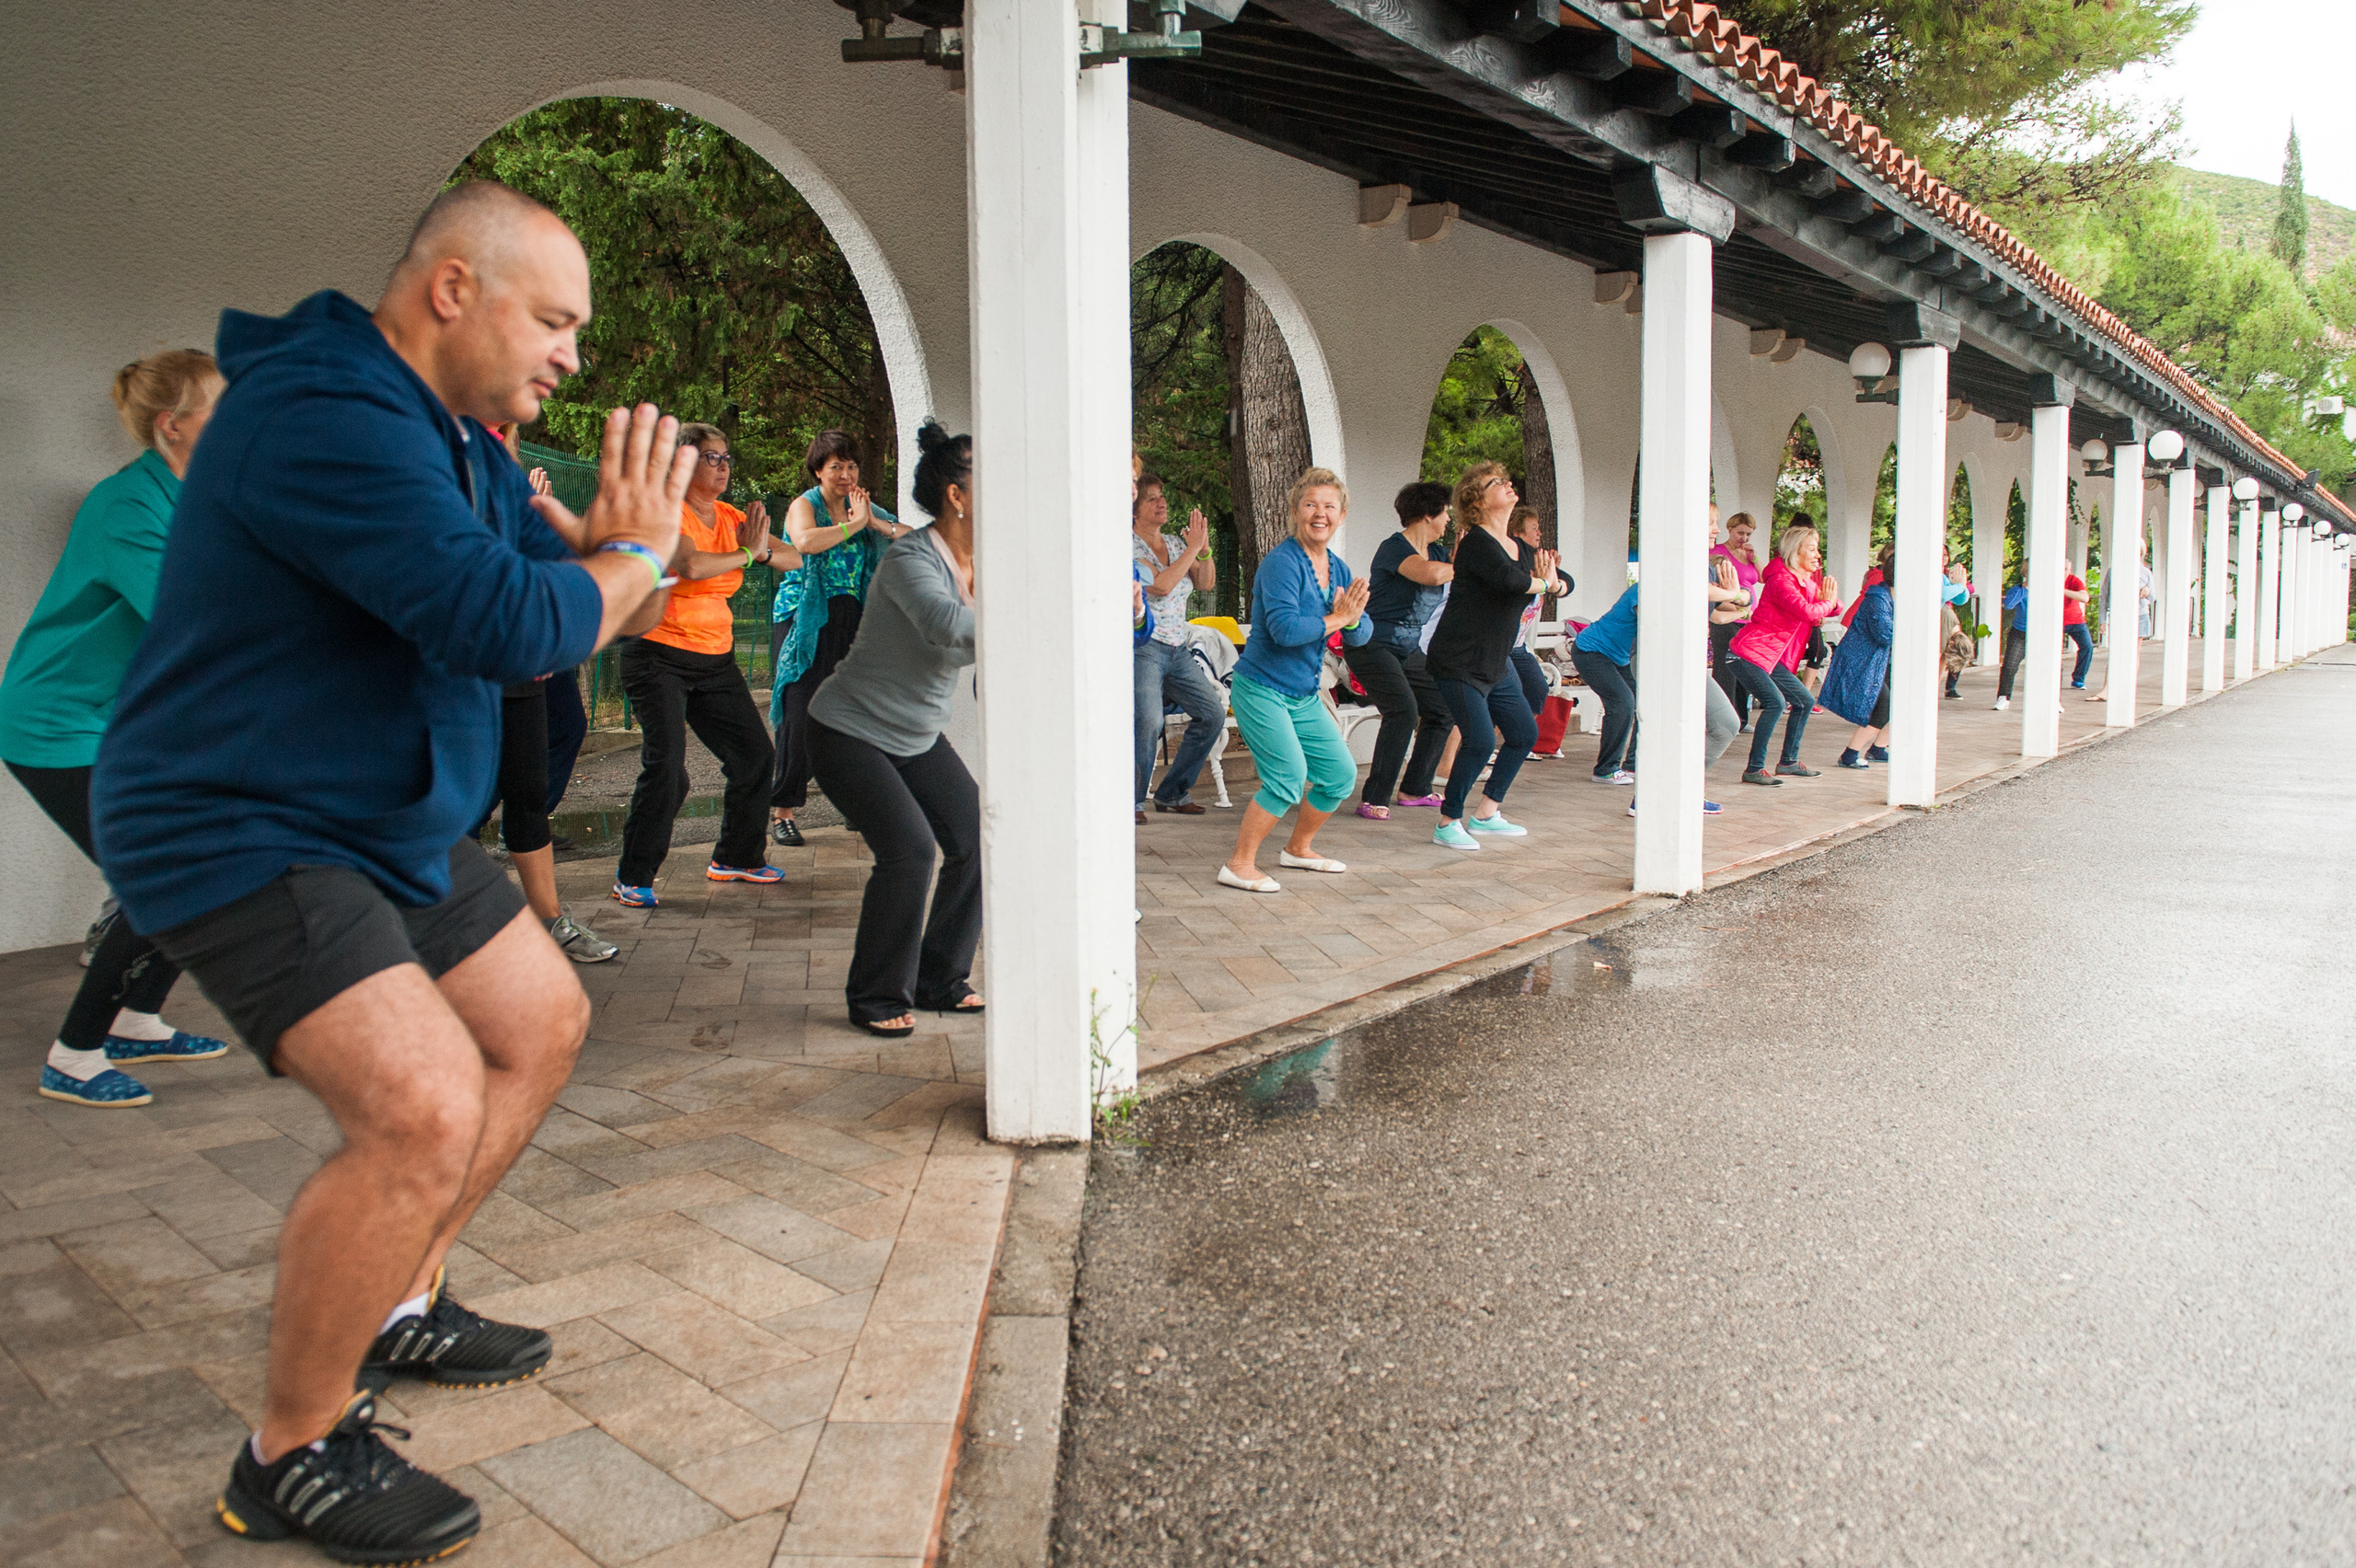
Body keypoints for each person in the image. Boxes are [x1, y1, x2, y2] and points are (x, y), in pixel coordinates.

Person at [90, 182, 693, 1562]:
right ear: (451, 292)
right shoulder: (319, 413)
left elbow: (553, 616)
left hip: (380, 813)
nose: (572, 357)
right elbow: (509, 618)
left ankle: (401, 1298)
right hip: (233, 819)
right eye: (555, 320)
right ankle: (288, 1448)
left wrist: (611, 560)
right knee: (422, 1105)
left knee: (540, 1022)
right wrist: (631, 557)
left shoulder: (453, 439)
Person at [0, 349, 231, 1107]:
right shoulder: (127, 507)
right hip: (56, 723)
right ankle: (73, 1057)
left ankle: (137, 1019)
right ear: (174, 426)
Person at [807, 422, 983, 1035]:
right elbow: (948, 629)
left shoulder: (985, 560)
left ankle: (939, 979)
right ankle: (877, 996)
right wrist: (1039, 610)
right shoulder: (912, 559)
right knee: (910, 851)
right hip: (847, 730)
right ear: (957, 496)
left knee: (975, 837)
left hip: (915, 735)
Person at [610, 424, 785, 906]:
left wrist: (761, 548)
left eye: (726, 457)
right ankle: (633, 875)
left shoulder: (731, 516)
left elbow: (790, 557)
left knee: (755, 757)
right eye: (711, 457)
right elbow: (690, 566)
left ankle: (737, 857)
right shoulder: (669, 513)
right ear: (682, 464)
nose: (724, 465)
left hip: (714, 660)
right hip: (657, 655)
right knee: (668, 769)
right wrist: (749, 553)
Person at [1217, 468, 1371, 892]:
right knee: (1287, 776)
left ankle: (1298, 849)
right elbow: (1285, 631)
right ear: (1295, 511)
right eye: (1310, 505)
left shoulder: (1337, 568)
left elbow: (1363, 629)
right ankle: (1238, 864)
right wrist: (1339, 617)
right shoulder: (1282, 563)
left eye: (1329, 506)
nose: (1319, 514)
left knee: (1339, 774)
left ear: (1340, 516)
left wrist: (1352, 621)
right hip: (1261, 689)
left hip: (1302, 694)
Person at [771, 431, 908, 846]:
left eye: (851, 466)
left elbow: (911, 536)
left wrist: (873, 522)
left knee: (854, 715)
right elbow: (805, 542)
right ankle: (782, 812)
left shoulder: (861, 507)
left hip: (852, 616)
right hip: (806, 618)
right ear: (819, 471)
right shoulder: (805, 504)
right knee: (800, 712)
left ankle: (854, 804)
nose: (846, 474)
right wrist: (854, 527)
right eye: (836, 467)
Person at [1426, 463, 1567, 850]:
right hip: (1459, 660)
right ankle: (1447, 821)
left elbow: (1559, 578)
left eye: (1506, 480)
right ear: (1476, 499)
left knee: (1524, 734)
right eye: (1495, 483)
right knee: (1480, 740)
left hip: (1496, 661)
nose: (1507, 485)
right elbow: (1513, 581)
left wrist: (1555, 582)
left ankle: (1486, 812)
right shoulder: (1475, 543)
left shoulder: (1520, 546)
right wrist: (1546, 583)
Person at [1342, 481, 1454, 818]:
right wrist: (1466, 565)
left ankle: (1415, 788)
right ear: (1425, 515)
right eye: (1445, 511)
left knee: (1441, 708)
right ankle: (1373, 797)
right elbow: (1430, 576)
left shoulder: (1439, 552)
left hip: (1407, 649)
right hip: (1371, 645)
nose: (1448, 519)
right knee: (1403, 711)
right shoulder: (1394, 548)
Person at [1132, 472, 1222, 817]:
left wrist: (1205, 548)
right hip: (1144, 647)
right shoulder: (1127, 544)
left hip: (1177, 647)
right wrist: (1192, 549)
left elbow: (1205, 582)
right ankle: (1131, 801)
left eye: (1162, 496)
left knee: (1211, 714)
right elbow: (1161, 586)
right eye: (1152, 498)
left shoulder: (1173, 542)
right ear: (1135, 509)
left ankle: (1172, 793)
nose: (1162, 502)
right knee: (1149, 722)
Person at [1727, 521, 1841, 786]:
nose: (1817, 555)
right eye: (1811, 549)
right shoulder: (1780, 580)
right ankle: (1754, 769)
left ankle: (1788, 762)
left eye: (1817, 549)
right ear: (1795, 552)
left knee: (1804, 701)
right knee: (1776, 703)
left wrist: (1830, 603)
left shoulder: (1805, 581)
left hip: (1770, 656)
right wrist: (1828, 603)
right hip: (1747, 652)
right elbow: (1809, 612)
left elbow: (1828, 606)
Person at [1821, 542, 1895, 767]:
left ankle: (1878, 748)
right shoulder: (1878, 598)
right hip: (1861, 661)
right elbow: (1886, 634)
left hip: (1879, 660)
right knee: (1885, 707)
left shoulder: (1890, 597)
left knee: (1898, 705)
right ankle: (1850, 755)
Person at [1507, 505, 1564, 720]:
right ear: (1518, 534)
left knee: (1538, 688)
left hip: (1519, 646)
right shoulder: (1513, 564)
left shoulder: (1538, 564)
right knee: (1507, 693)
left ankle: (1521, 737)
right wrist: (1545, 579)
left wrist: (1551, 577)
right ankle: (1496, 741)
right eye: (1534, 528)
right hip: (1502, 645)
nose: (1539, 533)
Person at [1710, 508, 1761, 727]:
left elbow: (1761, 577)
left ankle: (1741, 715)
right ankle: (1725, 715)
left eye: (1748, 534)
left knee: (1744, 665)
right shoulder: (1718, 551)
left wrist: (1755, 556)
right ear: (1729, 529)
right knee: (1727, 666)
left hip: (1747, 617)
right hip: (1728, 613)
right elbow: (1716, 586)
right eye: (1740, 533)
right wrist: (1737, 605)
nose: (1744, 538)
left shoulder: (1747, 554)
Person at [1994, 566, 2028, 710]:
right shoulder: (2018, 589)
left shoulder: (2047, 588)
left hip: (2040, 633)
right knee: (2010, 665)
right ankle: (2004, 697)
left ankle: (2054, 699)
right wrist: (2026, 589)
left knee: (2051, 666)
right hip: (2020, 632)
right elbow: (2009, 605)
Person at [2062, 565, 2094, 687]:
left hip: (2076, 621)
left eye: (2066, 568)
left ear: (2070, 570)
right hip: (2057, 622)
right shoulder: (2051, 578)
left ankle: (2078, 679)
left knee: (2087, 647)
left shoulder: (2073, 580)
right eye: (2062, 568)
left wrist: (2062, 590)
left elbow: (2085, 598)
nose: (2064, 571)